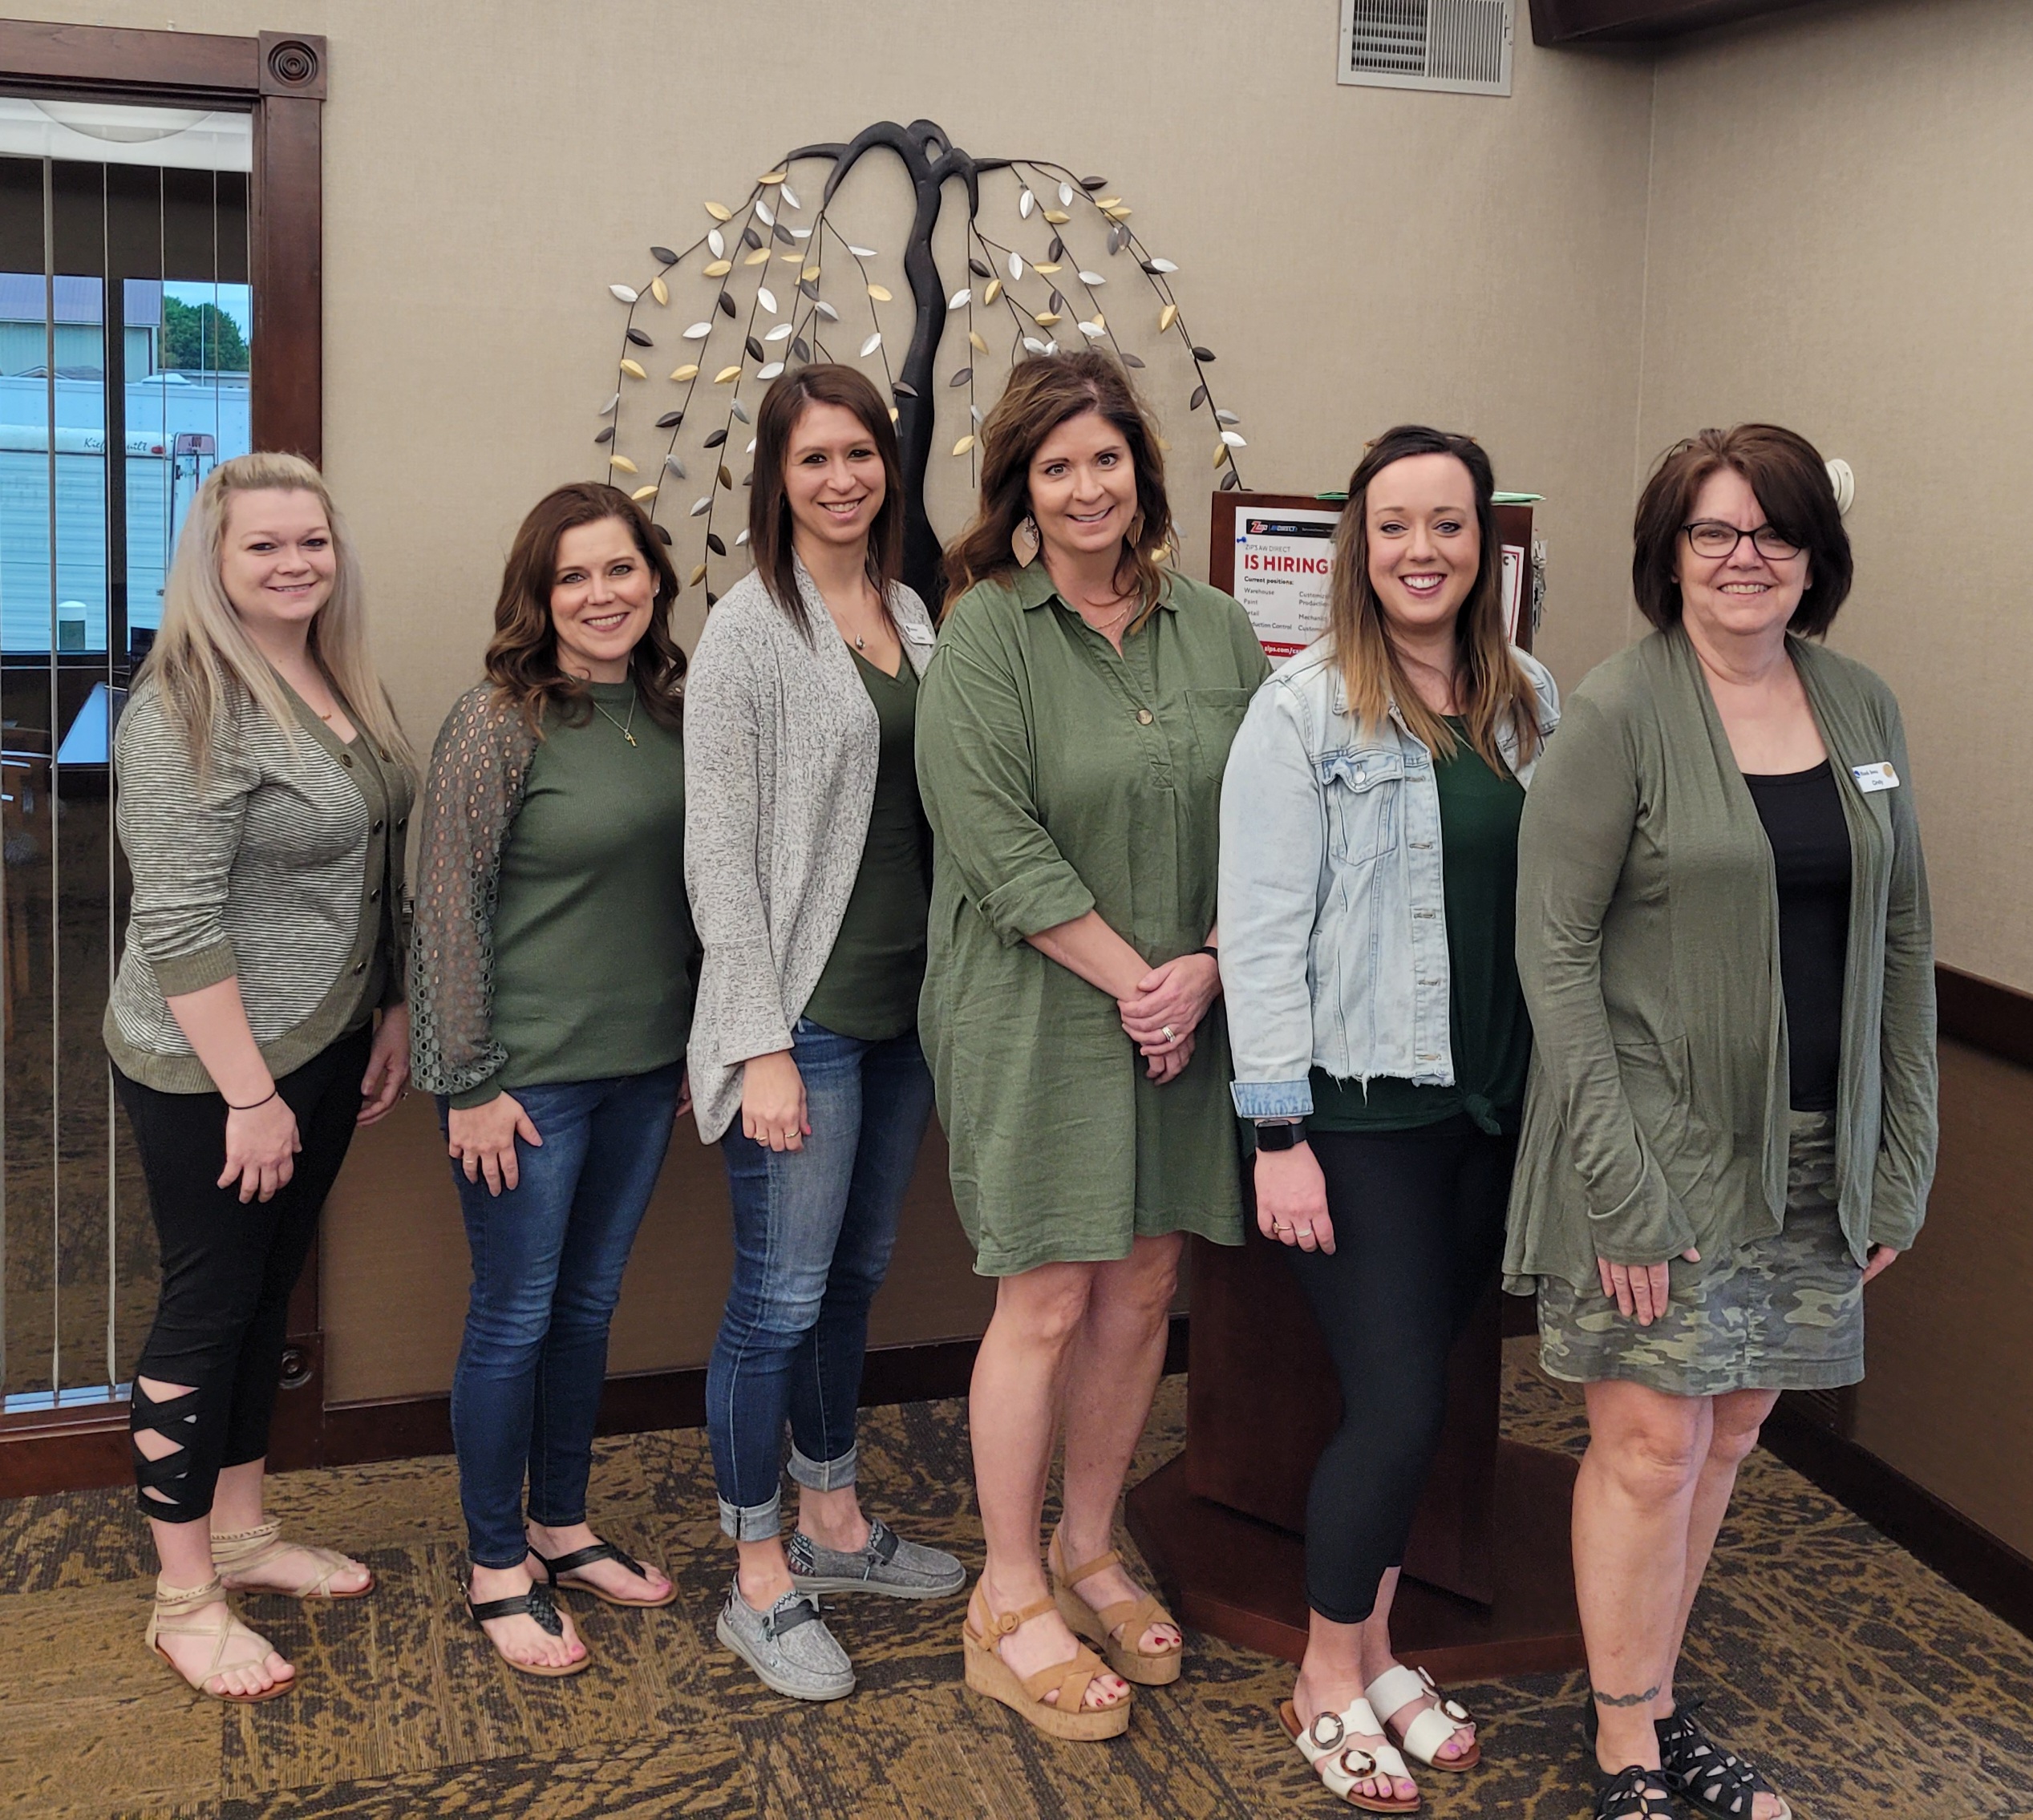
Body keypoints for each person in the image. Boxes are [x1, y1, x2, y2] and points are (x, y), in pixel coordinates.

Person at [1509, 424, 1936, 1820]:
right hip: (1654, 1153)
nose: (1745, 556)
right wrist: (1620, 1192)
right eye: (1714, 532)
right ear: (1669, 554)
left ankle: (1658, 1694)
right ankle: (1627, 1741)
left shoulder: (1860, 705)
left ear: (1816, 556)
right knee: (1648, 1444)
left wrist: (1902, 1157)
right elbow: (1554, 957)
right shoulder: (1622, 712)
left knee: (1734, 1431)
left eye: (1774, 532)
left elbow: (1906, 939)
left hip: (1819, 1148)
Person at [915, 350, 1270, 1741]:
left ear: (1143, 469)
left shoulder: (1221, 630)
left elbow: (1272, 823)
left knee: (1145, 1278)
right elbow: (994, 840)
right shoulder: (988, 632)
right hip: (1038, 1000)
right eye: (1055, 465)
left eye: (1105, 458)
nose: (1085, 487)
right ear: (1021, 486)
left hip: (1190, 997)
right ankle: (1007, 1597)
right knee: (1049, 1291)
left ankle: (1089, 1543)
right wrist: (1145, 984)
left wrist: (1215, 967)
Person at [1220, 426, 1558, 1810]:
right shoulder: (1301, 710)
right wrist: (1276, 1132)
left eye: (1451, 525)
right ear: (1360, 543)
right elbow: (1260, 929)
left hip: (1491, 1107)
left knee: (1425, 1403)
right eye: (1396, 525)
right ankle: (1321, 1669)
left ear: (1487, 545)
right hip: (1360, 1117)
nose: (1423, 550)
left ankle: (1375, 1643)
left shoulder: (1532, 698)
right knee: (1397, 1397)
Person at [107, 452, 412, 1701]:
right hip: (209, 1064)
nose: (294, 564)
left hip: (326, 1039)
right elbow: (176, 921)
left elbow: (373, 854)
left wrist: (387, 1007)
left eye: (312, 542)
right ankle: (185, 1594)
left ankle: (240, 1529)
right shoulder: (182, 703)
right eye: (264, 546)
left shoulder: (332, 674)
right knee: (210, 1299)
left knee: (265, 1289)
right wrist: (246, 1092)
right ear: (214, 564)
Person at [685, 364, 965, 1704]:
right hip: (801, 1015)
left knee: (852, 1281)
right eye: (816, 460)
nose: (843, 478)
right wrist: (761, 1042)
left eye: (862, 454)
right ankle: (755, 1573)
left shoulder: (913, 608)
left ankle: (836, 1521)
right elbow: (719, 859)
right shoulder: (748, 630)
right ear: (776, 481)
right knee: (776, 1297)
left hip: (907, 1012)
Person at [409, 482, 695, 1677]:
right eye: (573, 576)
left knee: (587, 1308)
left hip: (642, 1070)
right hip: (524, 1079)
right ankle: (493, 1563)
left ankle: (560, 1525)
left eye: (620, 570)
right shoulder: (499, 720)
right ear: (539, 595)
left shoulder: (673, 711)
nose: (600, 595)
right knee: (515, 1312)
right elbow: (445, 905)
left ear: (653, 581)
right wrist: (467, 1077)